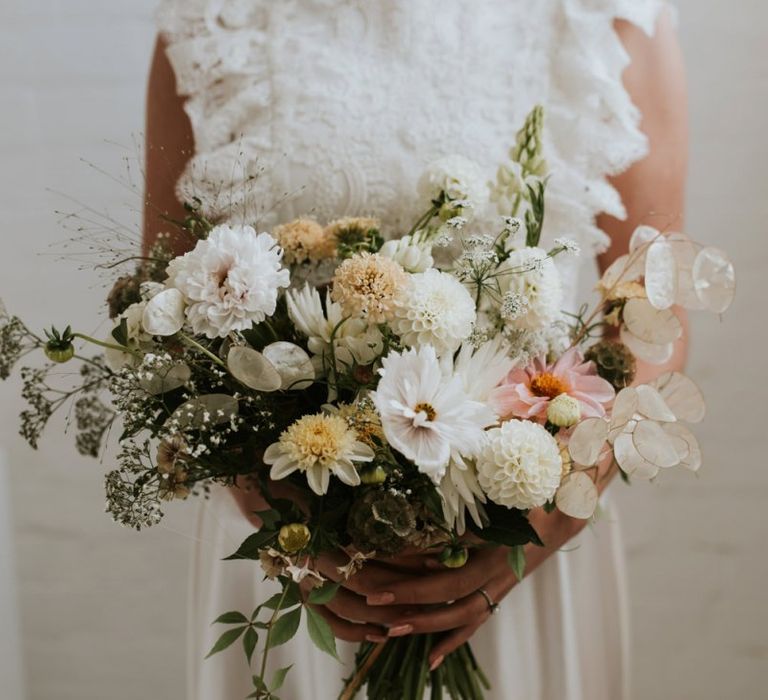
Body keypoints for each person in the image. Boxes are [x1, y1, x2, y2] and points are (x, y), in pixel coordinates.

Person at [143, 1, 688, 697]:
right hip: (295, 544)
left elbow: (652, 320)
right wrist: (285, 526)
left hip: (520, 543)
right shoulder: (214, 22)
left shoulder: (607, 16)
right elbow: (165, 312)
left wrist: (544, 520)